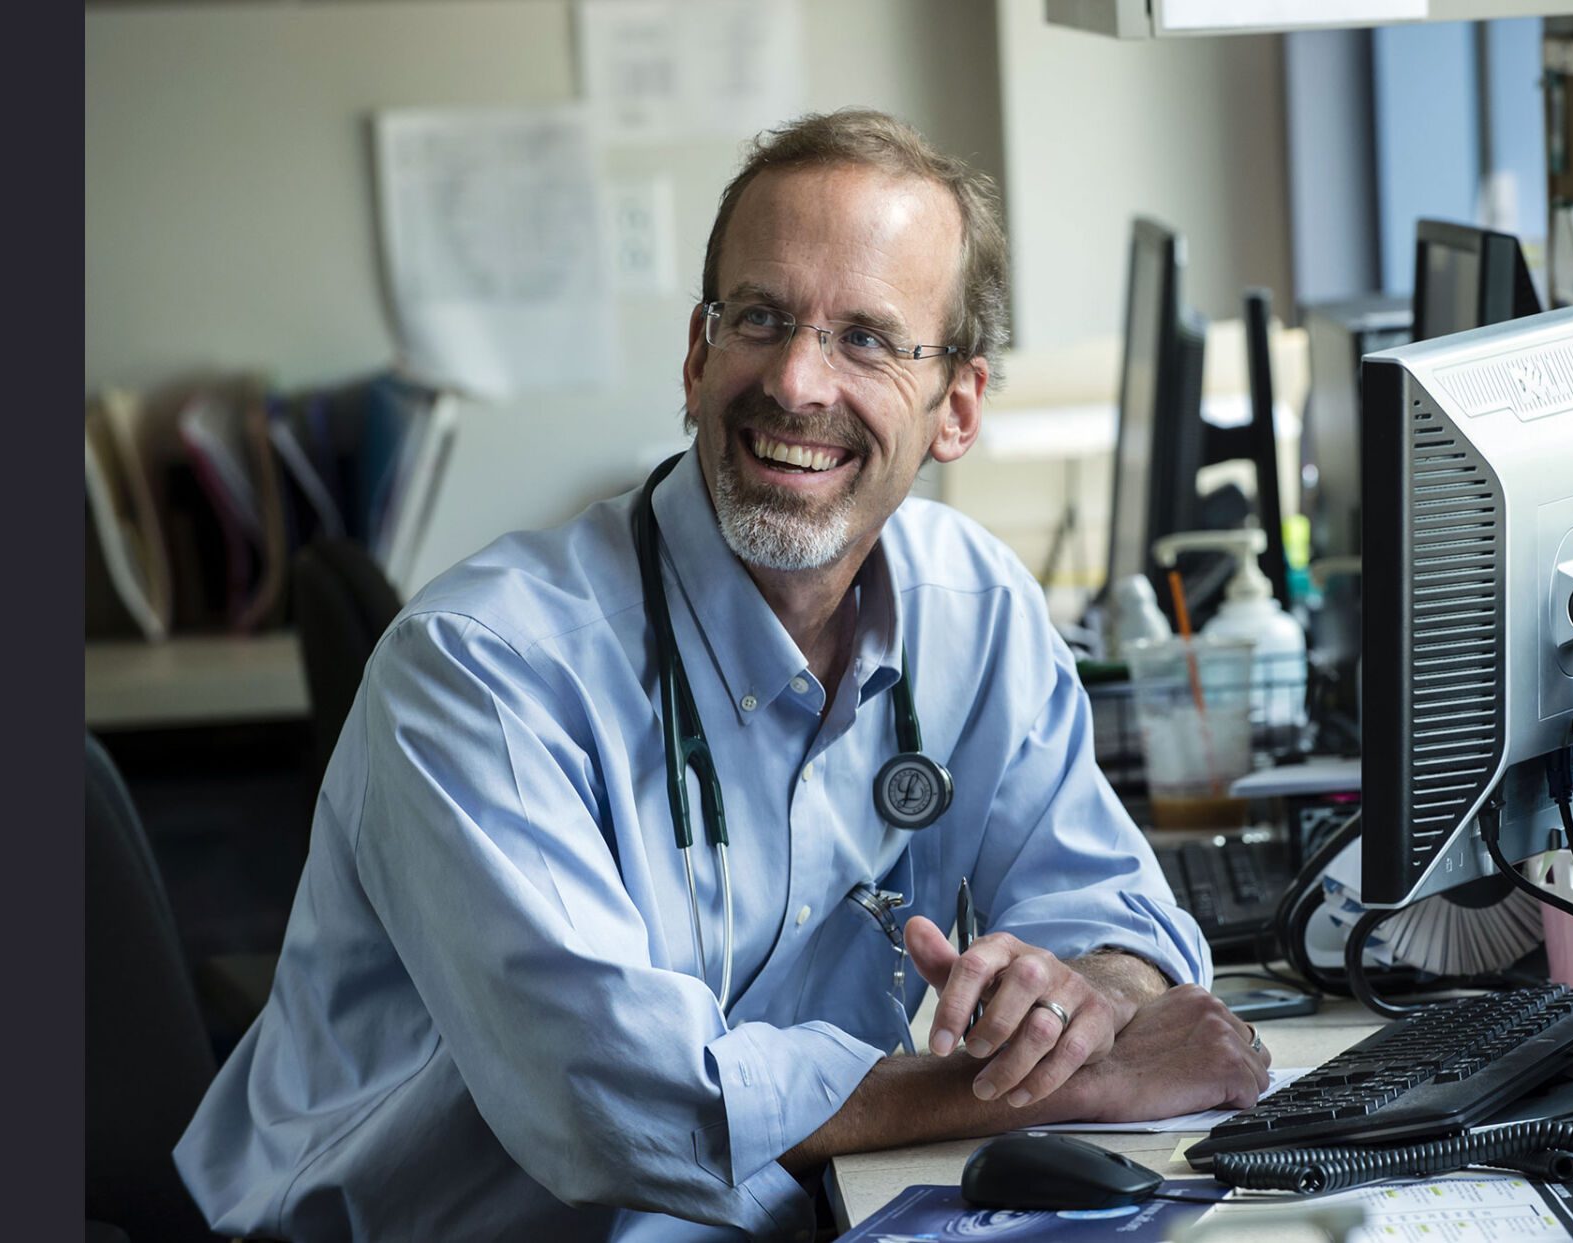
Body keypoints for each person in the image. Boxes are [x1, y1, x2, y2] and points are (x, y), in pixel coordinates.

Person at [174, 108, 1271, 1242]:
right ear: (697, 358)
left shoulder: (974, 609)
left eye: (866, 338)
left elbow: (1111, 902)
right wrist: (1074, 1084)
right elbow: (617, 1104)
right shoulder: (481, 671)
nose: (796, 381)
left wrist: (1094, 990)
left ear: (957, 407)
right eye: (760, 318)